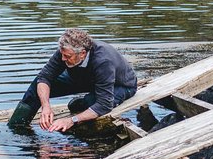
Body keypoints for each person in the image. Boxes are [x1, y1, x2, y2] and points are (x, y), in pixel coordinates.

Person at [8, 28, 137, 132]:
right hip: (83, 78)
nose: (63, 59)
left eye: (67, 56)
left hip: (121, 85)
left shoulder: (103, 61)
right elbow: (44, 77)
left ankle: (82, 102)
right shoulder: (65, 52)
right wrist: (45, 106)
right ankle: (16, 127)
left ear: (82, 53)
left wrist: (71, 120)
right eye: (62, 54)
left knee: (92, 103)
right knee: (37, 86)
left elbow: (104, 104)